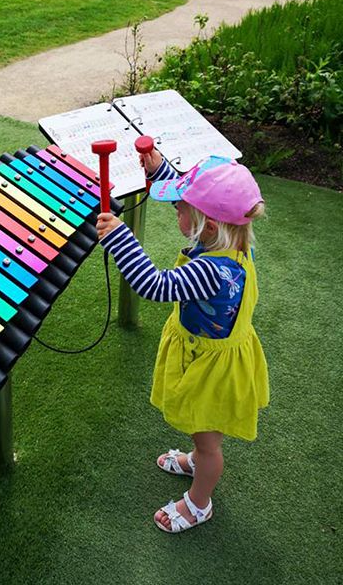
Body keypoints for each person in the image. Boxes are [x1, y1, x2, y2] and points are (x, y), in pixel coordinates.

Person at [96, 149, 269, 533]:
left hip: (212, 369)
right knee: (199, 429)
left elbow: (154, 285)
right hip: (209, 355)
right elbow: (189, 196)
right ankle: (194, 457)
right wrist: (160, 170)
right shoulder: (232, 241)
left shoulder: (211, 271)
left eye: (181, 209)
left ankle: (199, 503)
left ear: (206, 225)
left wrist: (121, 239)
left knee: (209, 441)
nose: (176, 211)